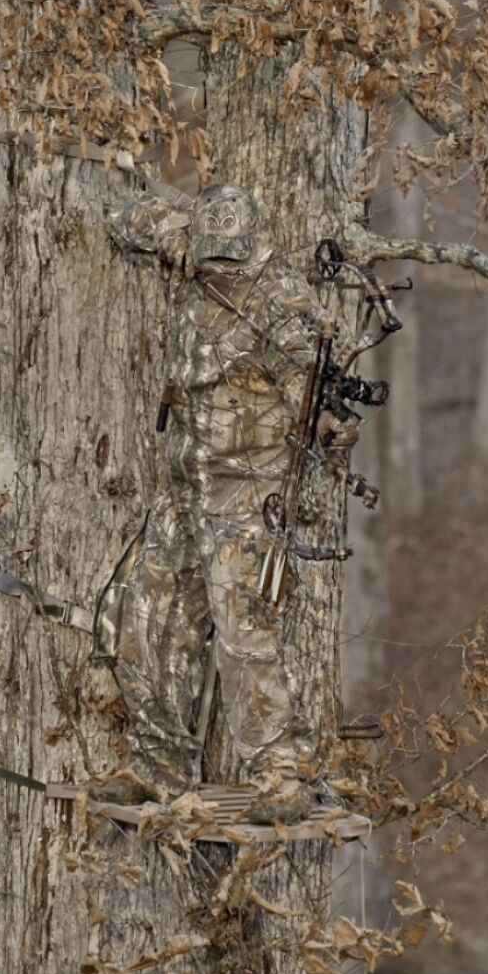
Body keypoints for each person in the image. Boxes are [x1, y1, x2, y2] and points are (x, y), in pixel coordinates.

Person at [93, 184, 359, 818]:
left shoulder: (282, 298)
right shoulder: (189, 241)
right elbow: (123, 214)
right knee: (141, 616)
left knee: (244, 636)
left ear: (251, 248)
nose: (223, 276)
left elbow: (323, 390)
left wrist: (330, 423)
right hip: (185, 487)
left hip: (246, 495)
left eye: (230, 265)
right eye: (214, 262)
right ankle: (159, 766)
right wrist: (176, 235)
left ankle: (281, 778)